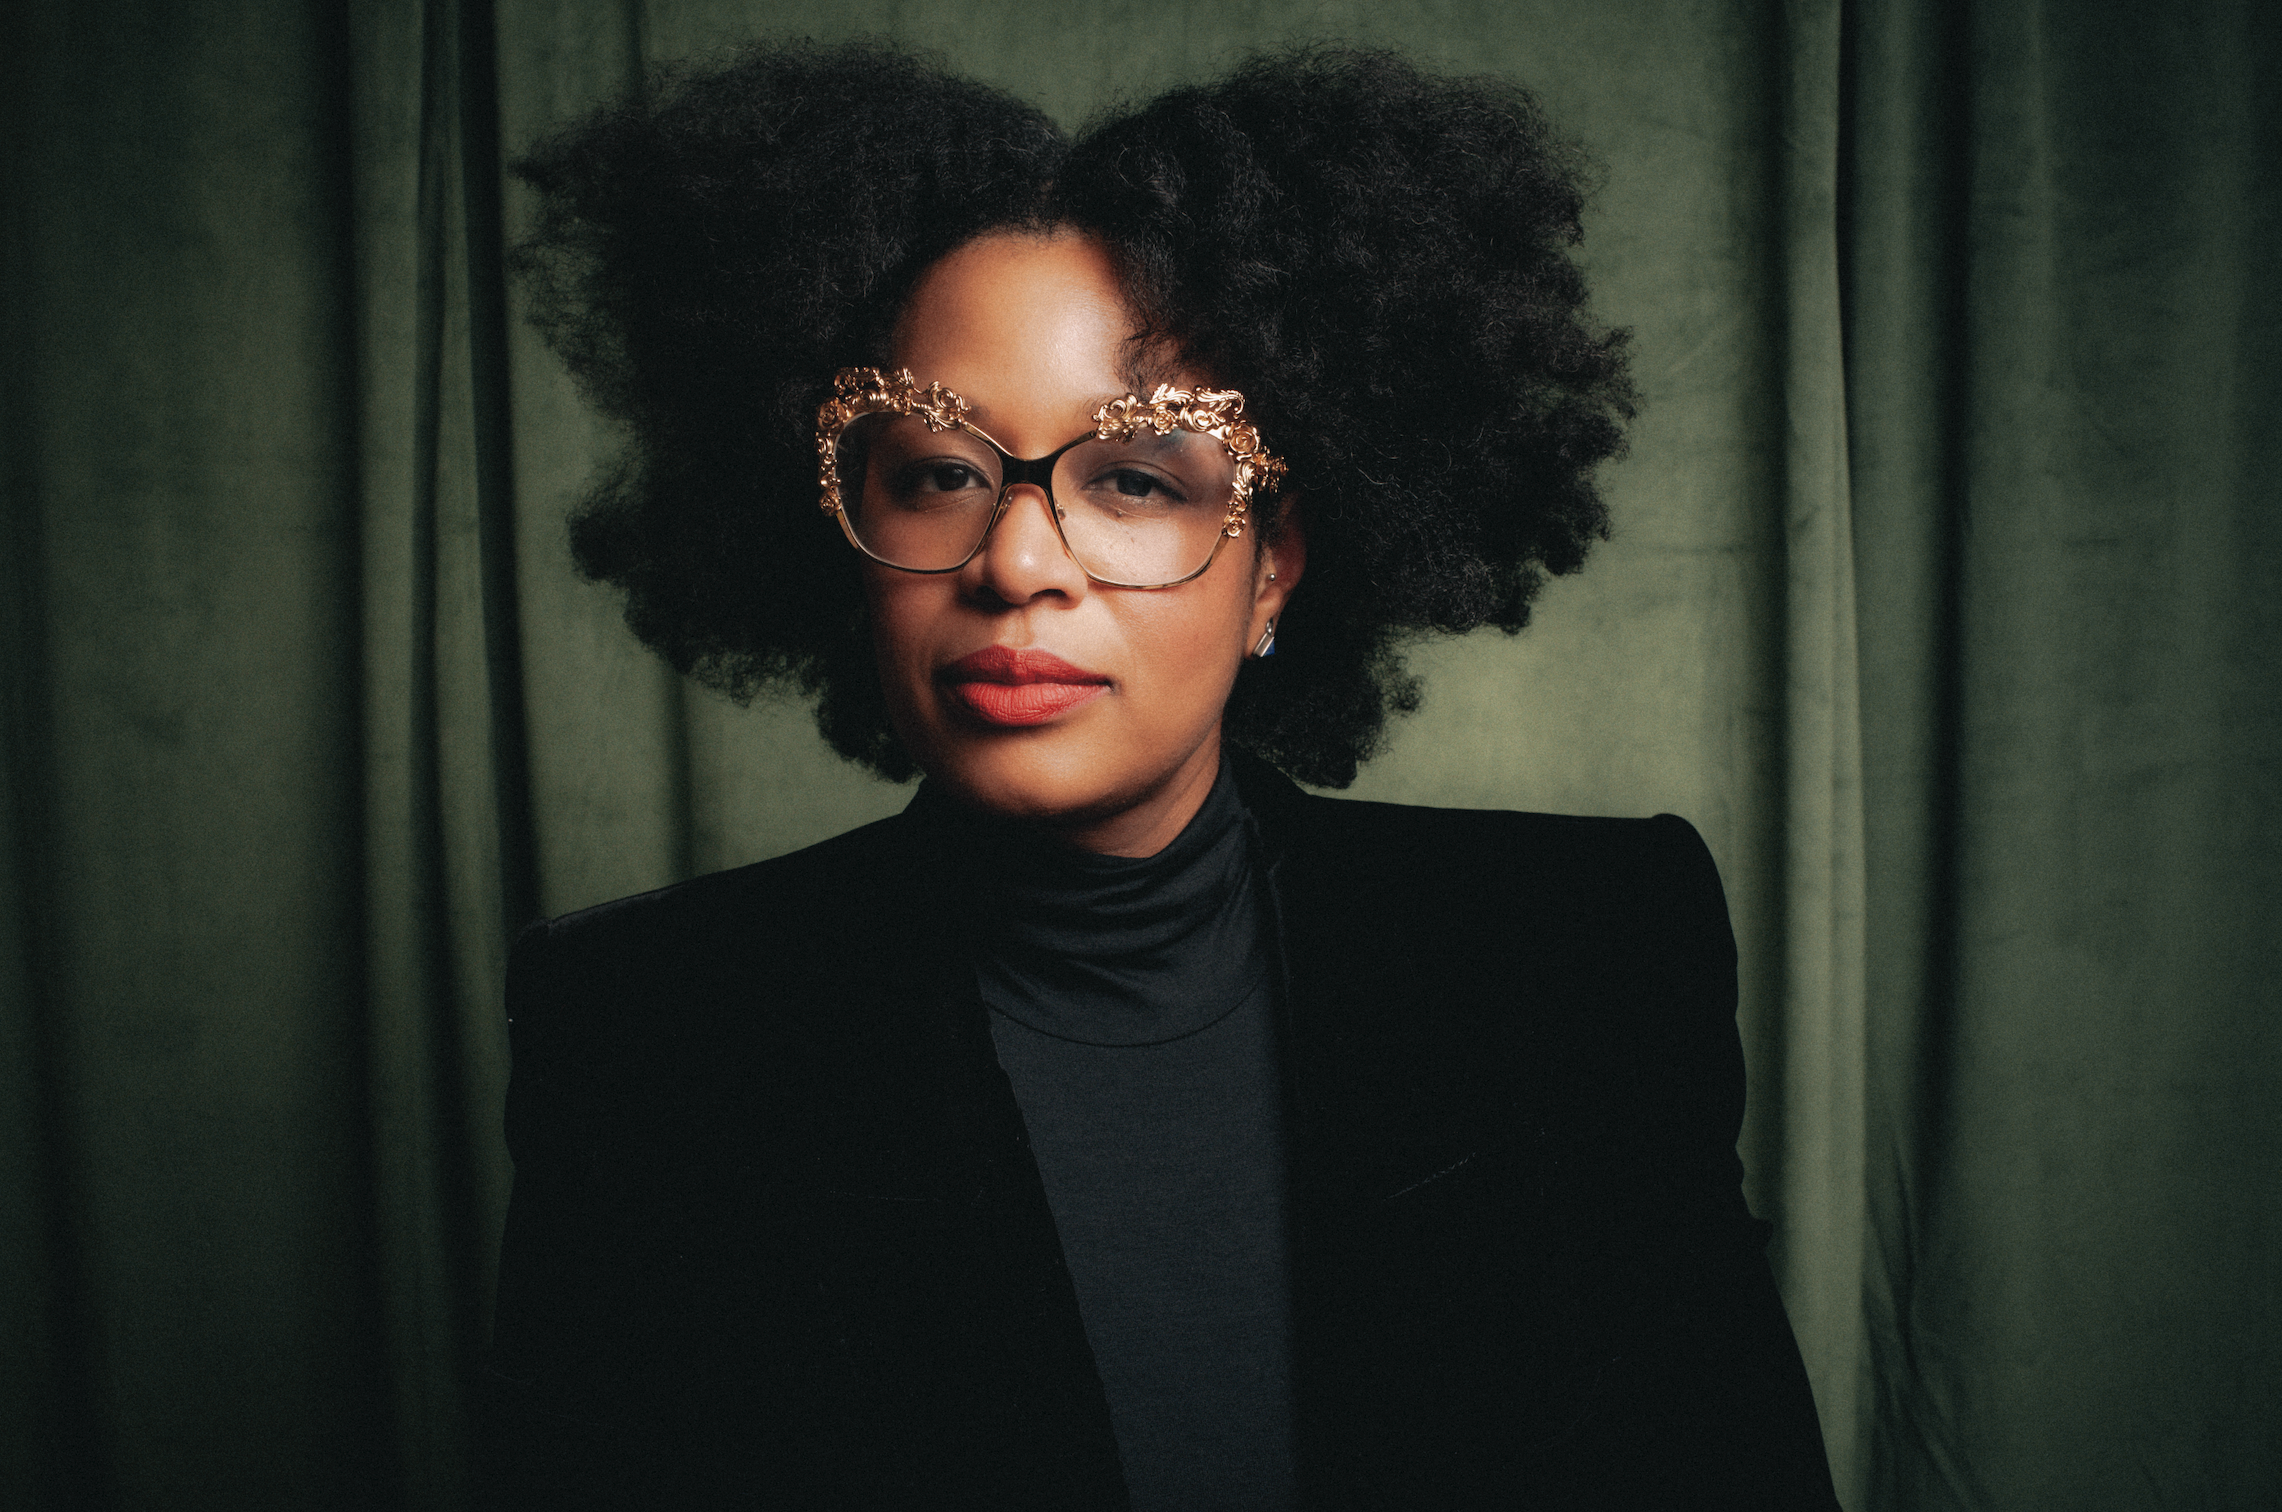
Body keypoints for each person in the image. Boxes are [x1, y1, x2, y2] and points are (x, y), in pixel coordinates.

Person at [484, 39, 1841, 1512]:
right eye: (936, 472)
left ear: (1274, 570)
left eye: (1134, 477)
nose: (1015, 564)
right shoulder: (648, 1034)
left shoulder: (1586, 954)